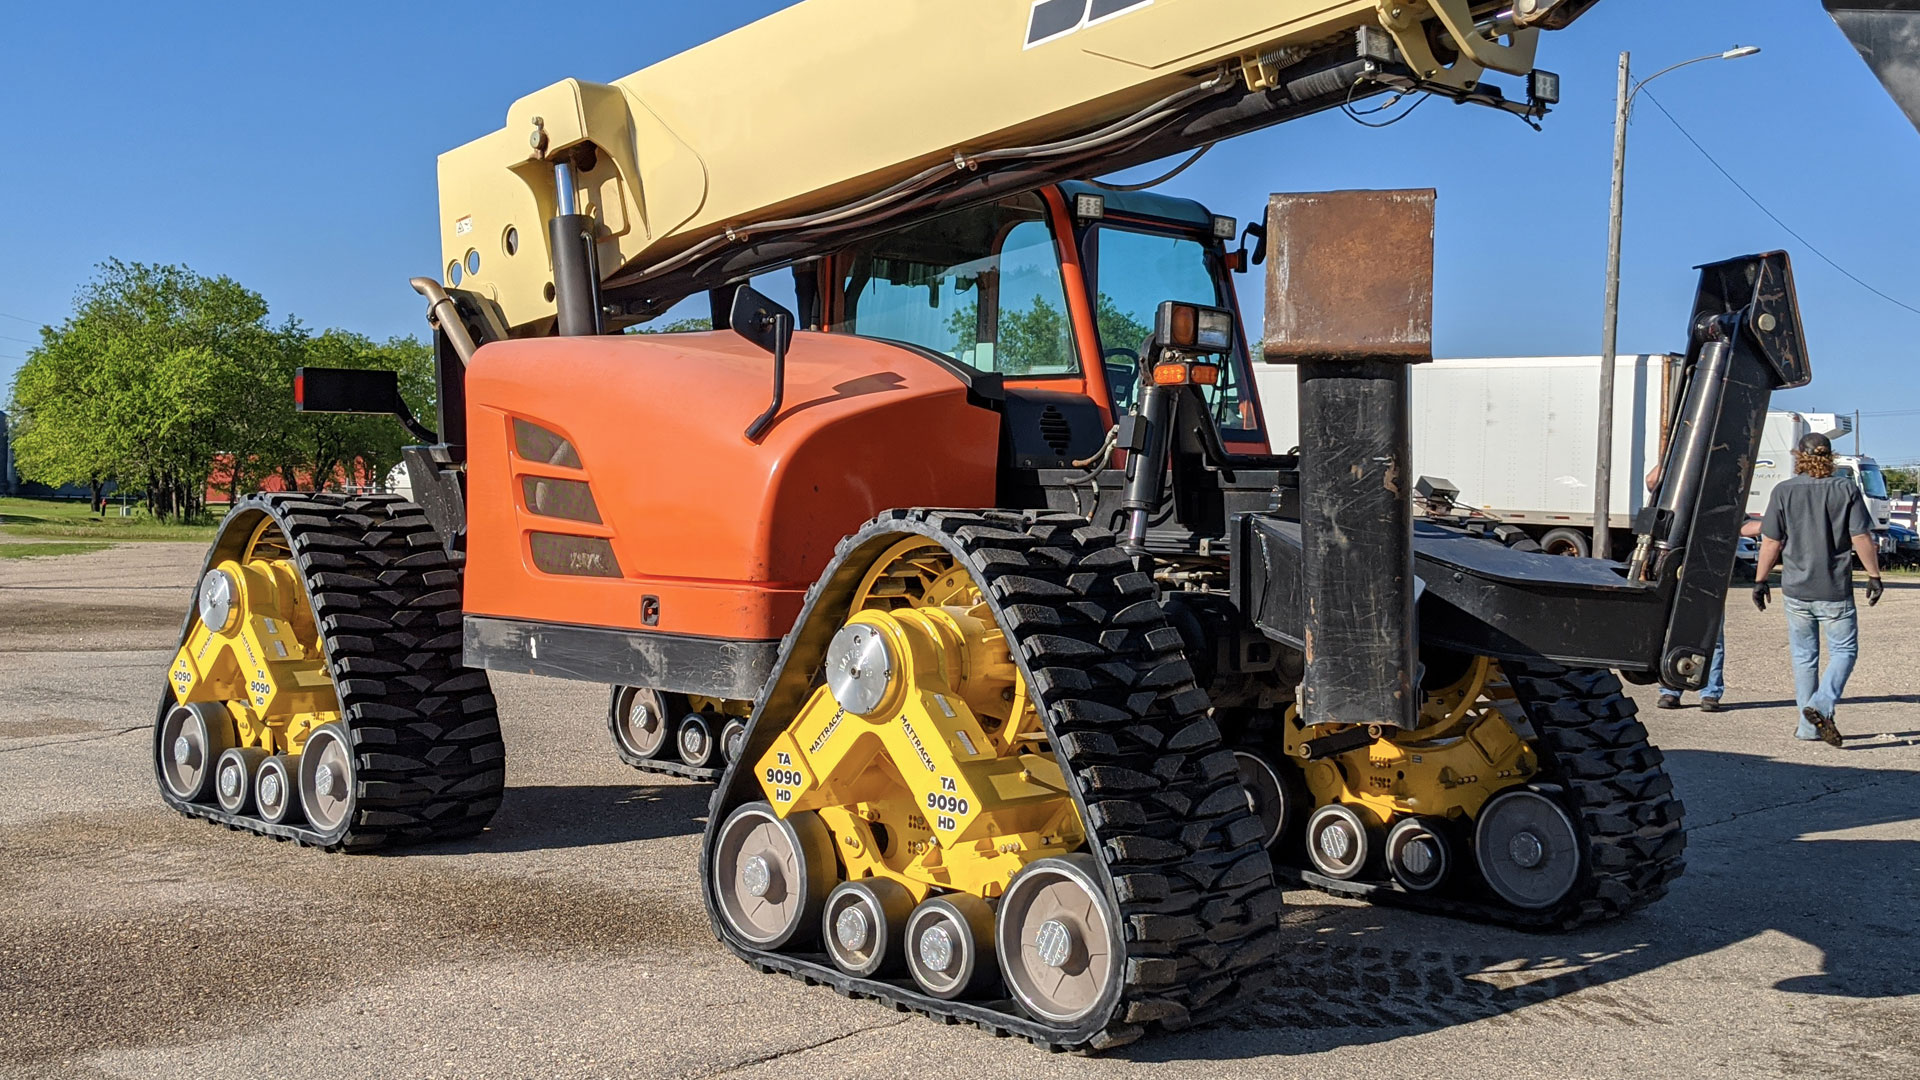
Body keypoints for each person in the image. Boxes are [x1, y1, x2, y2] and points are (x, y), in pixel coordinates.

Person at [1752, 432, 1885, 747]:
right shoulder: (1845, 489)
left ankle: (1808, 727)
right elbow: (1861, 537)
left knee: (1804, 657)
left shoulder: (1783, 491)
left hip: (1796, 589)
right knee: (1844, 651)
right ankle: (1821, 704)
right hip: (1834, 589)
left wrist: (1759, 580)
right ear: (1830, 457)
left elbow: (1771, 541)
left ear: (1799, 455)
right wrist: (1874, 575)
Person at [1645, 464, 1760, 713]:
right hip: (1676, 567)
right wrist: (1670, 458)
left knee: (1711, 636)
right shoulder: (1679, 490)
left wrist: (1773, 522)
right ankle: (1671, 690)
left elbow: (1743, 526)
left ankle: (1709, 692)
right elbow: (1652, 480)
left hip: (1709, 570)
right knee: (1673, 632)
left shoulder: (1725, 497)